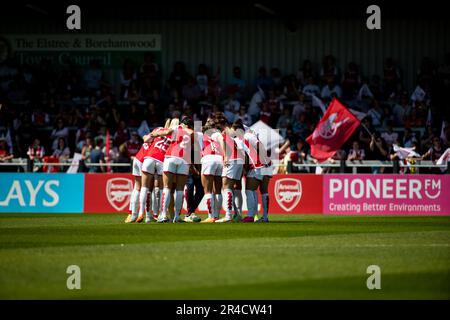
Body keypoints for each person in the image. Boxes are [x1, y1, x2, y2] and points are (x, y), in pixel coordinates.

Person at [153, 116, 201, 223]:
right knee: (180, 189)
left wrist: (155, 134)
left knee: (167, 187)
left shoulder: (177, 127)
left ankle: (164, 215)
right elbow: (193, 139)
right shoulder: (192, 133)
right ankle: (176, 216)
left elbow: (167, 132)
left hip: (171, 156)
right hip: (184, 160)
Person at [199, 115, 225, 223]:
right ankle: (217, 216)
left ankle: (210, 216)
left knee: (208, 190)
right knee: (218, 190)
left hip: (208, 159)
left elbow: (200, 150)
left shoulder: (202, 134)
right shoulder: (217, 133)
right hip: (219, 158)